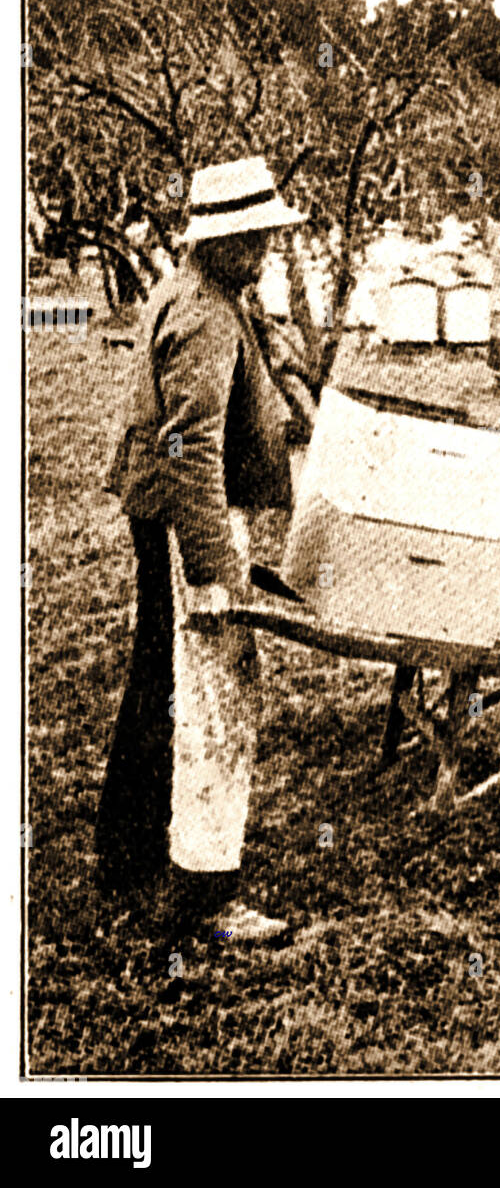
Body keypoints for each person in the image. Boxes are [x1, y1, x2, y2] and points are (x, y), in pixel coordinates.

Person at [96, 157, 306, 942]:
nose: (262, 250)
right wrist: (215, 570)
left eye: (265, 236)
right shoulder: (206, 314)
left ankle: (131, 862)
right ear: (216, 240)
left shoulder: (200, 293)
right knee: (215, 697)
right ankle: (202, 894)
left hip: (168, 514)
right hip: (190, 518)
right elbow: (191, 450)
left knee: (159, 684)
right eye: (249, 237)